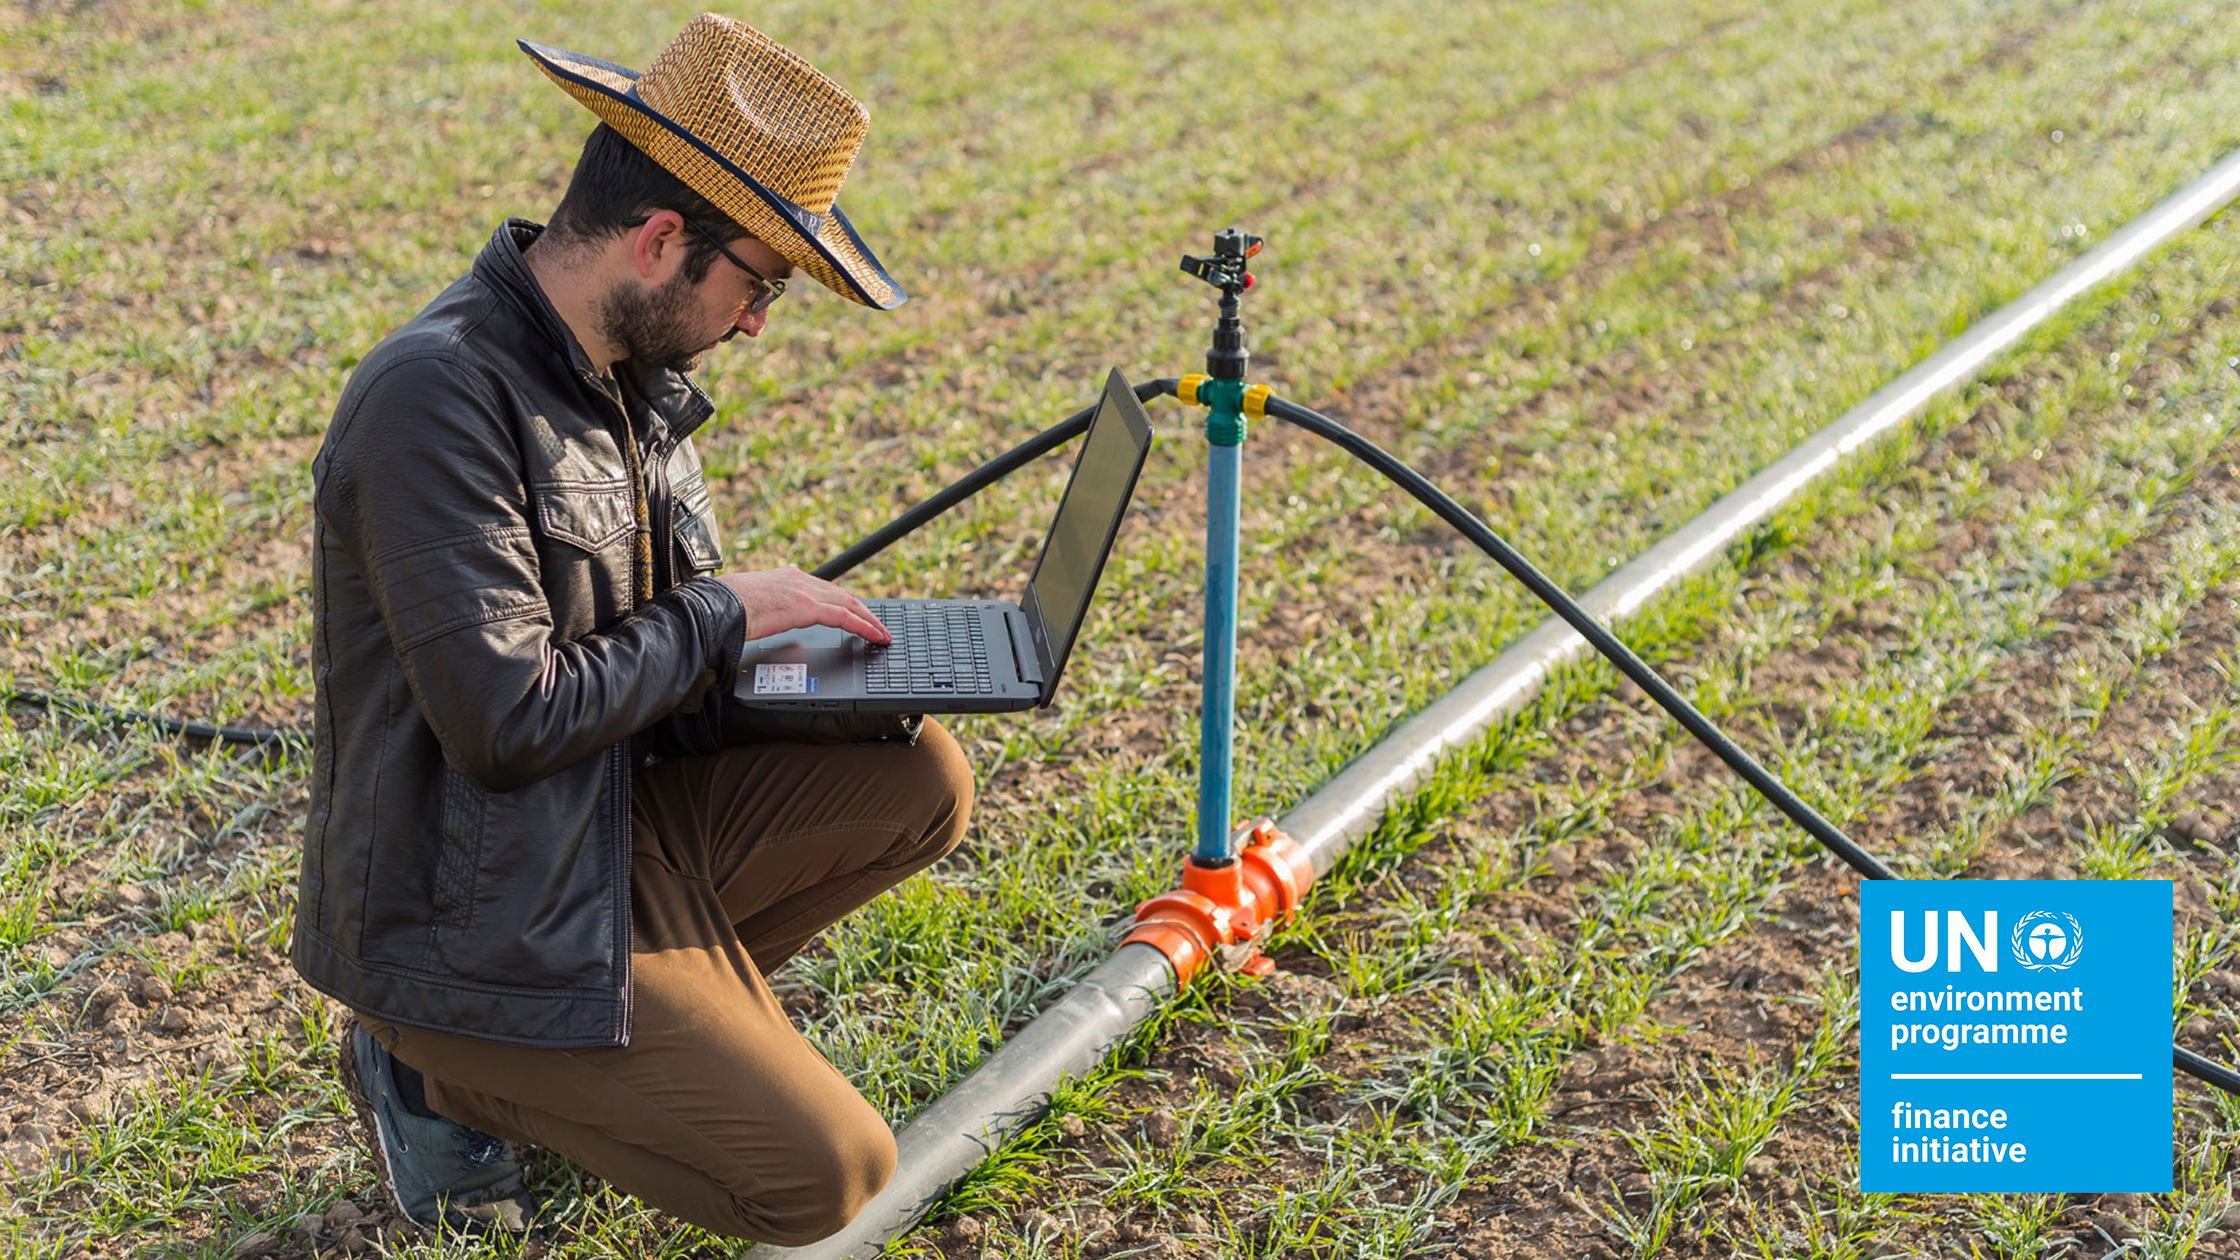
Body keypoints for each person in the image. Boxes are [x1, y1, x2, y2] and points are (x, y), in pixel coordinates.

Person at [290, 13, 972, 1245]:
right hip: (468, 909)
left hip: (600, 829)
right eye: (759, 281)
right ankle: (435, 1071)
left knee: (916, 778)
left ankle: (640, 1042)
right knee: (827, 1176)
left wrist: (878, 667)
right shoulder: (434, 398)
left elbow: (668, 666)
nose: (760, 319)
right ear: (662, 241)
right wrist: (721, 612)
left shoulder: (626, 387)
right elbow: (508, 723)